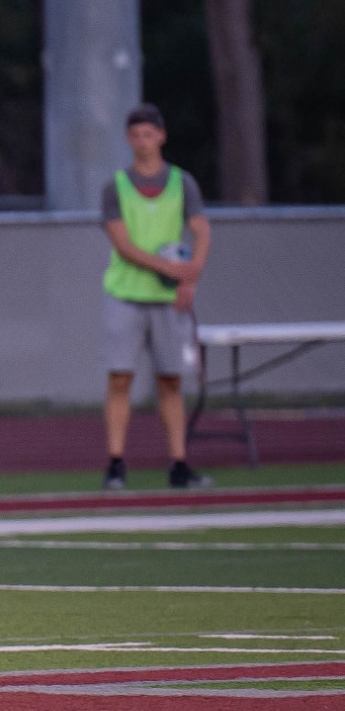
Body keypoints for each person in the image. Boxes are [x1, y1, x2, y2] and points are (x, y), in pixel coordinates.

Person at [99, 104, 212, 491]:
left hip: (166, 300)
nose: (143, 143)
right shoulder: (116, 186)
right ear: (129, 140)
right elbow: (124, 244)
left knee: (171, 380)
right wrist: (170, 270)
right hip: (127, 293)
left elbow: (200, 229)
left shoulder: (183, 183)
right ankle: (115, 463)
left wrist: (190, 274)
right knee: (120, 377)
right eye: (136, 136)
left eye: (149, 135)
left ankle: (179, 463)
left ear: (162, 136)